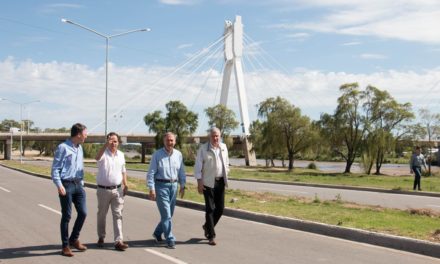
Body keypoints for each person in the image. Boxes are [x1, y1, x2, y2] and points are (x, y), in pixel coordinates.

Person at [51, 123, 88, 257]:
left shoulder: (80, 148)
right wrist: (59, 185)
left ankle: (74, 239)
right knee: (67, 216)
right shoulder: (63, 148)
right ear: (78, 134)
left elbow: (80, 166)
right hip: (66, 185)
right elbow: (55, 169)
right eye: (85, 133)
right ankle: (65, 246)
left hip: (78, 184)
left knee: (83, 213)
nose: (86, 136)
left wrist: (82, 182)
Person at [147, 132, 186, 249]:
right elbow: (151, 173)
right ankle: (170, 238)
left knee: (170, 214)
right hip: (161, 186)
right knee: (166, 214)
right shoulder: (157, 155)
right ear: (164, 141)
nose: (170, 143)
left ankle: (158, 233)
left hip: (174, 186)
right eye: (168, 140)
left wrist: (183, 185)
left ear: (175, 141)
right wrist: (151, 188)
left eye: (172, 140)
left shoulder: (178, 154)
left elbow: (181, 171)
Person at [194, 127, 229, 246]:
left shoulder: (223, 147)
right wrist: (199, 182)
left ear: (220, 136)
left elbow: (226, 163)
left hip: (220, 182)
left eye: (217, 136)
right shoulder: (203, 149)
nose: (215, 138)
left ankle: (207, 226)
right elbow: (198, 167)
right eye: (213, 136)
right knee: (210, 209)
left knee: (220, 208)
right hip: (208, 182)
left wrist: (226, 174)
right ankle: (211, 236)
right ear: (210, 137)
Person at [95, 132, 129, 251]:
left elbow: (123, 170)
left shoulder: (121, 155)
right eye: (111, 141)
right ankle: (101, 236)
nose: (113, 143)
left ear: (118, 142)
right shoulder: (103, 153)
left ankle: (118, 241)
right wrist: (105, 145)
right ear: (107, 141)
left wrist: (125, 183)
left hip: (117, 190)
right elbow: (97, 157)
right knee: (102, 215)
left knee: (118, 215)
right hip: (103, 190)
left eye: (115, 141)